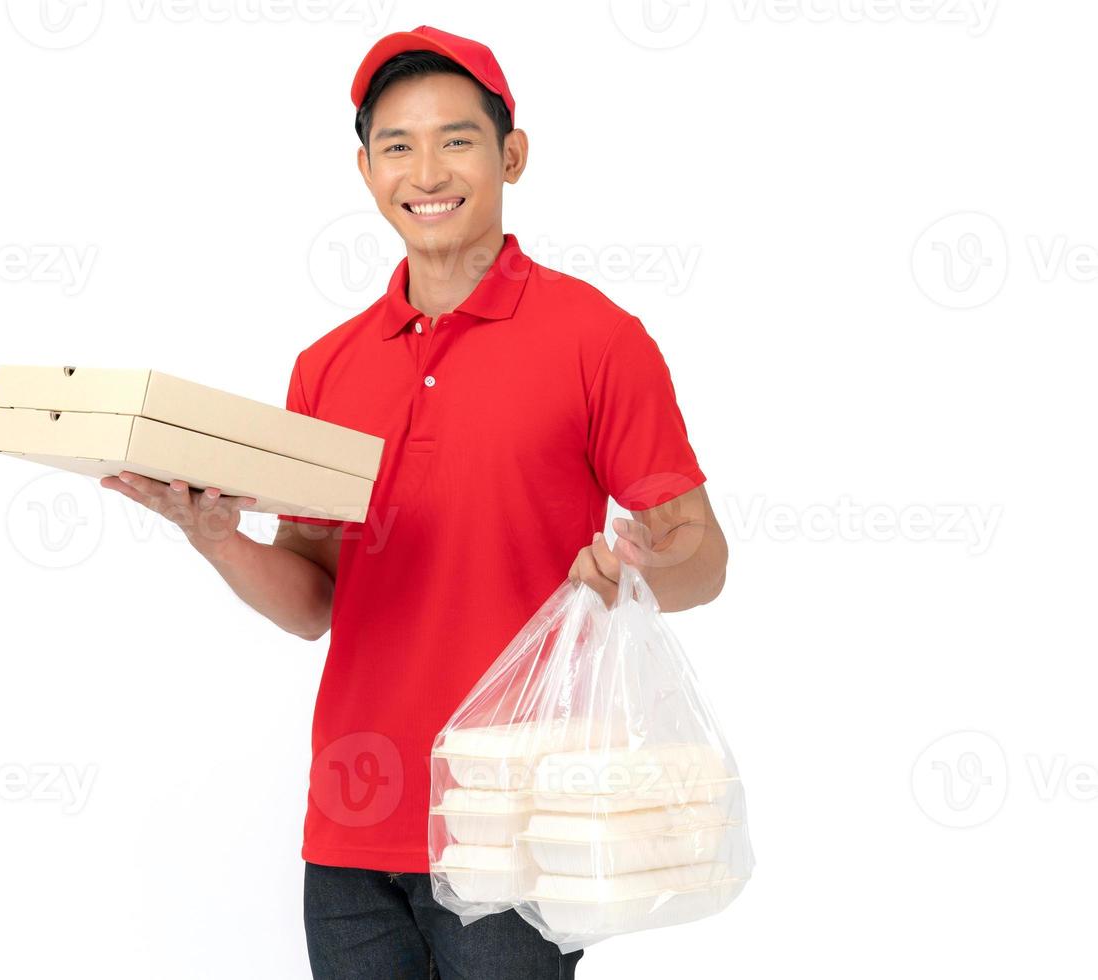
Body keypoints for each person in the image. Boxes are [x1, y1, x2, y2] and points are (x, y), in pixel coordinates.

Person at [100, 26, 728, 979]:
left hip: (514, 823)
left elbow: (704, 558)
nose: (426, 170)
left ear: (512, 154)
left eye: (457, 140)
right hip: (352, 834)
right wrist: (215, 535)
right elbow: (314, 598)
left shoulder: (597, 339)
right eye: (396, 145)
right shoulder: (328, 366)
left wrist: (640, 567)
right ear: (364, 168)